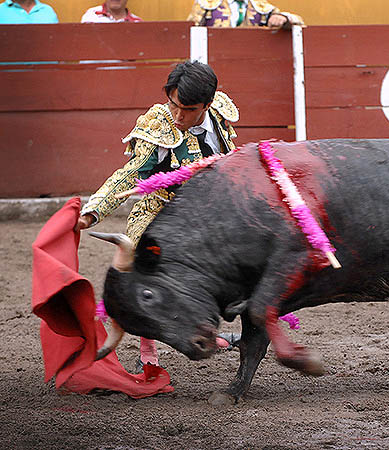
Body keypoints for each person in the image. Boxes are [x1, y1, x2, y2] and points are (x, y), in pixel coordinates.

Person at [75, 61, 239, 370]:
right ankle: (147, 350)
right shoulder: (158, 127)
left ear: (207, 104)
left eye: (188, 110)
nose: (177, 116)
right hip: (160, 215)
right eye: (173, 104)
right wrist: (92, 211)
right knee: (143, 279)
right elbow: (130, 174)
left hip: (206, 217)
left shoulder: (219, 116)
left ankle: (208, 333)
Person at [188, 0, 304, 28]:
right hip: (212, 65)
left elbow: (299, 23)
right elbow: (188, 33)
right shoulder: (206, 4)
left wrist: (283, 17)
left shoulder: (261, 6)